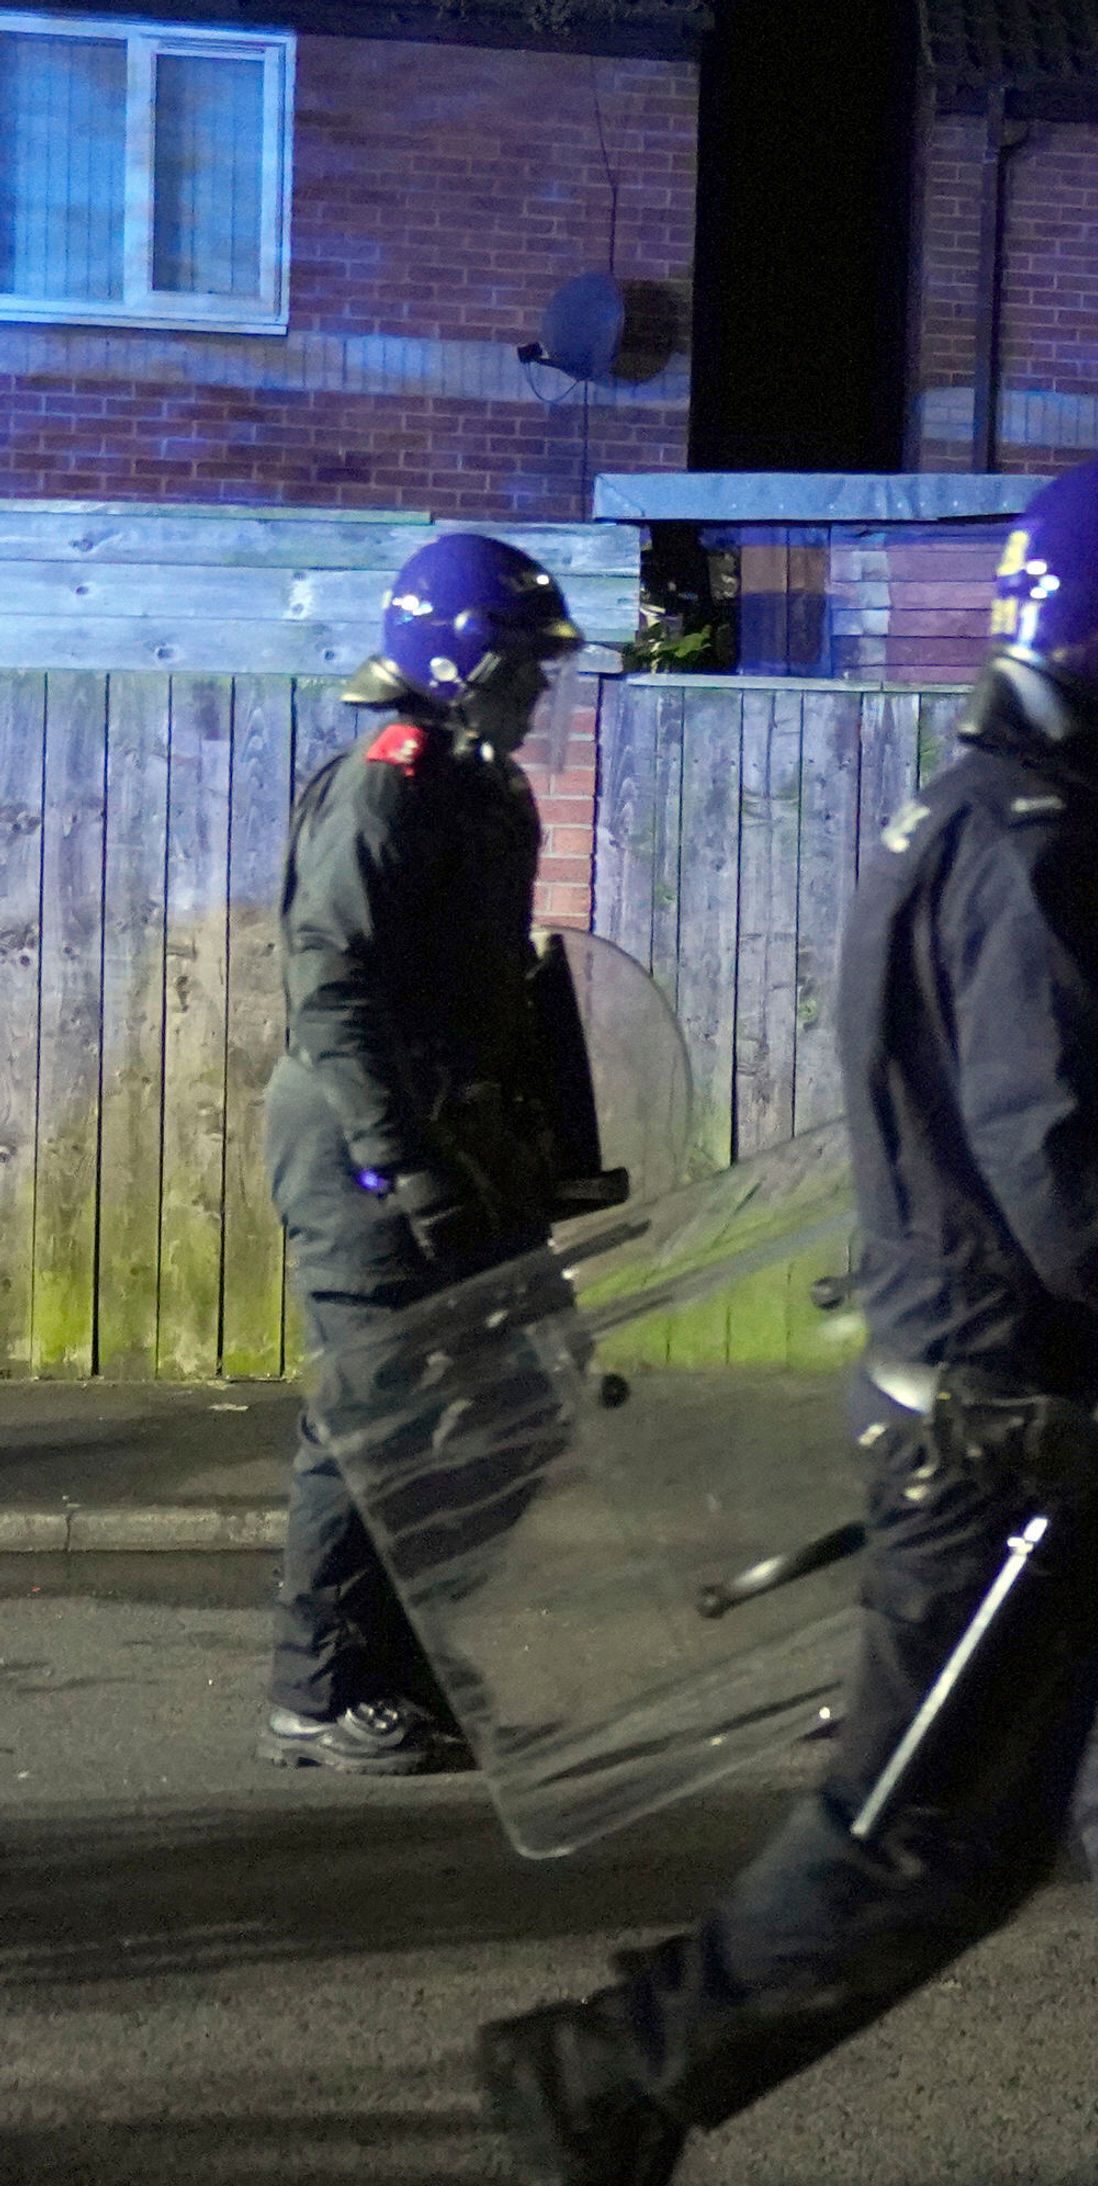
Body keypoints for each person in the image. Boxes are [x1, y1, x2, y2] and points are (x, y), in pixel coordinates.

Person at [475, 457, 1098, 2186]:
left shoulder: (1016, 820)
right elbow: (1082, 1195)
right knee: (934, 1848)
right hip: (1011, 1443)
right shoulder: (1041, 857)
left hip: (1093, 1420)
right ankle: (603, 2075)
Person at [259, 536, 583, 1776]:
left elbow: (481, 990)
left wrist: (529, 1142)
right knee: (373, 1415)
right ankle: (321, 1687)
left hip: (461, 1138)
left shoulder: (478, 785)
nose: (542, 691)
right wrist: (407, 1166)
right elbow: (332, 988)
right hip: (360, 1147)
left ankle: (402, 1658)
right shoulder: (385, 783)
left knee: (536, 1393)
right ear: (468, 663)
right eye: (527, 668)